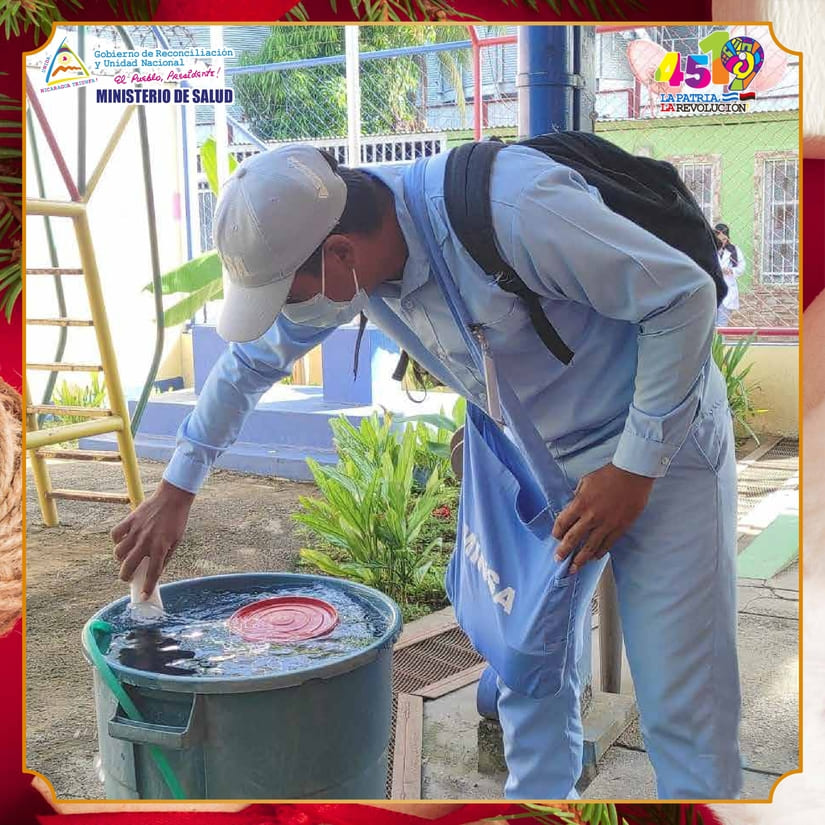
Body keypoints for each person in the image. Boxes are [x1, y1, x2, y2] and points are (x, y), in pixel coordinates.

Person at [111, 143, 742, 800]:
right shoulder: (348, 260)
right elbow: (249, 363)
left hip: (659, 457)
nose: (293, 314)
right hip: (533, 469)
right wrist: (177, 488)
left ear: (340, 254)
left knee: (683, 712)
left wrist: (633, 469)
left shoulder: (515, 207)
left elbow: (682, 298)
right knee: (527, 677)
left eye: (290, 296)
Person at [714, 222, 746, 327]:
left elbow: (742, 267)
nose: (722, 242)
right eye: (719, 240)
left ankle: (720, 338)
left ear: (727, 237)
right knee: (710, 325)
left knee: (721, 325)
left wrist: (731, 270)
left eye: (724, 239)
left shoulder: (734, 250)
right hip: (713, 291)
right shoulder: (710, 250)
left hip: (727, 292)